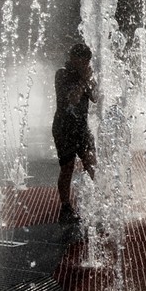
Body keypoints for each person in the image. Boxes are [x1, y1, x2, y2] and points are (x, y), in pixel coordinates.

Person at [52, 43, 99, 223]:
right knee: (67, 167)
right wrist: (83, 81)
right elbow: (71, 99)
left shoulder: (85, 75)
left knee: (92, 163)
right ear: (74, 58)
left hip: (81, 127)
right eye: (83, 61)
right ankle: (65, 207)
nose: (86, 65)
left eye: (87, 61)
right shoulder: (62, 74)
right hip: (64, 128)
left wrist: (91, 81)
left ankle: (99, 200)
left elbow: (95, 98)